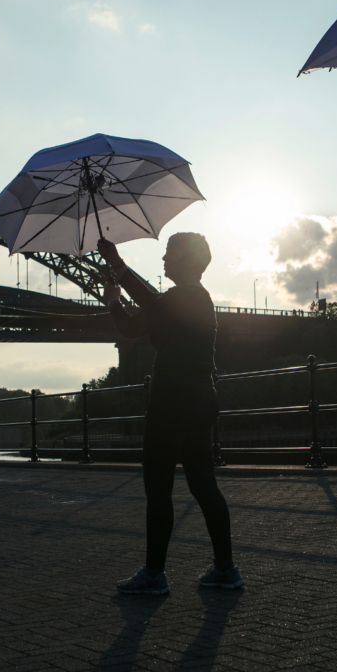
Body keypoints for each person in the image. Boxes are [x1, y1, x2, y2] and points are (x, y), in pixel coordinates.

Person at [96, 233, 242, 594]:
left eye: (169, 253)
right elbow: (153, 303)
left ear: (185, 259)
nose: (163, 259)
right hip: (201, 397)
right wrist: (118, 265)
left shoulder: (178, 298)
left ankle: (154, 574)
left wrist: (112, 301)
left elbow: (132, 326)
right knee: (204, 486)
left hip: (170, 401)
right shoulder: (196, 297)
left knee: (158, 489)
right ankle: (226, 569)